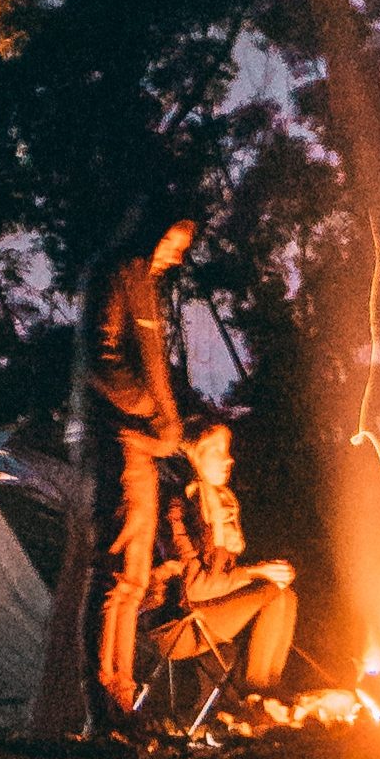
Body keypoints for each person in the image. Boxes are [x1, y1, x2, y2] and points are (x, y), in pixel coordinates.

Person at [88, 213, 199, 708]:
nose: (178, 254)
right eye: (175, 241)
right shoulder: (121, 277)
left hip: (145, 443)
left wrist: (171, 423)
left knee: (135, 579)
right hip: (124, 441)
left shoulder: (146, 286)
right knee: (120, 578)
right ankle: (103, 695)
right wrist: (150, 410)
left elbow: (154, 366)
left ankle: (123, 696)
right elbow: (103, 357)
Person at [155, 423, 298, 691]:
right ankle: (256, 692)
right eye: (217, 450)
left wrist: (264, 572)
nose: (228, 458)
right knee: (270, 592)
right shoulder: (179, 508)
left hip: (207, 612)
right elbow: (195, 588)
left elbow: (220, 580)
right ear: (195, 455)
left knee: (284, 594)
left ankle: (270, 688)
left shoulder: (219, 507)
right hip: (179, 623)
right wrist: (255, 572)